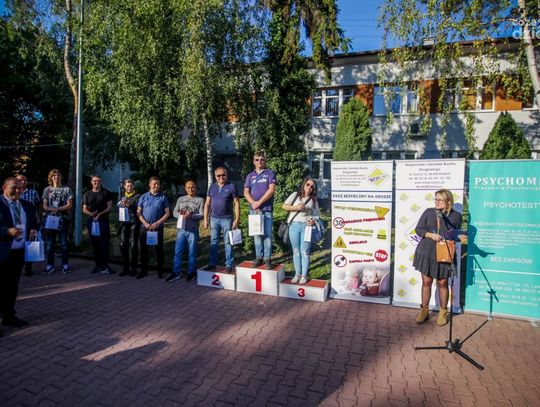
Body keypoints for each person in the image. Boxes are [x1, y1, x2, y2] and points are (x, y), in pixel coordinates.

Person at [413, 188, 462, 326]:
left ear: (448, 202)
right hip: (426, 252)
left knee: (442, 283)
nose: (437, 202)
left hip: (444, 253)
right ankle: (424, 311)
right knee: (426, 282)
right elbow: (419, 229)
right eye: (435, 199)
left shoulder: (456, 216)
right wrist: (431, 235)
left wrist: (458, 236)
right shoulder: (429, 212)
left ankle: (442, 312)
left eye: (440, 200)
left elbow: (453, 234)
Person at [0, 177, 38, 328]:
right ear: (4, 188)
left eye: (20, 188)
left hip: (19, 252)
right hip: (3, 253)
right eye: (13, 188)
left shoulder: (27, 205)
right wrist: (6, 231)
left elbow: (34, 222)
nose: (17, 191)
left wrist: (33, 229)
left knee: (12, 286)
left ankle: (9, 317)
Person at [282, 177, 320, 285]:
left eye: (312, 186)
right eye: (308, 184)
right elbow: (284, 206)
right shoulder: (295, 195)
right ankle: (297, 274)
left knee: (305, 252)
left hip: (306, 227)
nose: (309, 187)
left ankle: (304, 275)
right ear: (304, 184)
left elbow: (317, 214)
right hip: (294, 225)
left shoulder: (313, 200)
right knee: (296, 251)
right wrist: (297, 208)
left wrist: (313, 220)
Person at [243, 151, 277, 268]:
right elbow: (246, 192)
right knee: (257, 234)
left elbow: (271, 190)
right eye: (257, 159)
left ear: (265, 161)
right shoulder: (250, 176)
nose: (259, 161)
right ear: (253, 161)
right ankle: (259, 257)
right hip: (254, 210)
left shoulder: (270, 173)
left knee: (267, 234)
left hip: (266, 209)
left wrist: (259, 202)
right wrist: (253, 203)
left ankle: (267, 258)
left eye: (261, 159)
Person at [203, 167, 240, 273]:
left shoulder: (231, 186)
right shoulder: (212, 187)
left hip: (227, 219)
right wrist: (205, 219)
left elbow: (237, 203)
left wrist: (237, 219)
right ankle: (212, 264)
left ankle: (229, 264)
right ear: (215, 176)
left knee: (228, 242)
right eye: (218, 175)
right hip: (214, 219)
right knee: (213, 242)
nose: (221, 177)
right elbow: (207, 203)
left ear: (226, 175)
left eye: (223, 175)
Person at [168, 180, 204, 282]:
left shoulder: (200, 200)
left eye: (192, 187)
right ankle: (176, 273)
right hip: (181, 230)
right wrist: (181, 215)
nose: (190, 189)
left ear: (195, 188)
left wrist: (191, 215)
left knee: (192, 253)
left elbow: (202, 214)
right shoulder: (180, 199)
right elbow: (174, 212)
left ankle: (191, 272)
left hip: (192, 230)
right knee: (178, 252)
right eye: (188, 187)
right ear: (185, 188)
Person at [137, 176, 170, 279]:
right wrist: (145, 223)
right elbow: (138, 212)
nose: (156, 186)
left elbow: (167, 213)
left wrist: (157, 223)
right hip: (145, 227)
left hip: (158, 227)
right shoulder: (143, 197)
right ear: (149, 184)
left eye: (158, 184)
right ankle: (143, 271)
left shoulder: (163, 197)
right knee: (144, 250)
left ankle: (160, 271)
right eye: (154, 184)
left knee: (159, 250)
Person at [42, 169, 74, 275]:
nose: (56, 177)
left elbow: (69, 204)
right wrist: (52, 209)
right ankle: (50, 265)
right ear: (51, 178)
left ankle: (65, 265)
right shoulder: (47, 190)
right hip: (50, 219)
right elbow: (44, 206)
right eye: (54, 176)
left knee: (64, 243)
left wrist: (58, 209)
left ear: (61, 177)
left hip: (63, 219)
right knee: (50, 244)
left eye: (58, 175)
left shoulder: (67, 189)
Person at [83, 175, 114, 274]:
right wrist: (91, 214)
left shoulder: (106, 193)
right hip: (92, 221)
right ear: (91, 182)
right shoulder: (87, 194)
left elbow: (110, 207)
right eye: (95, 181)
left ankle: (105, 266)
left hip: (103, 221)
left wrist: (100, 214)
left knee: (104, 244)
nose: (97, 183)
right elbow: (84, 209)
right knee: (95, 243)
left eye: (99, 181)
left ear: (101, 182)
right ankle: (98, 265)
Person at [16, 174, 41, 277]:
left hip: (30, 222)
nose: (22, 182)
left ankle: (28, 268)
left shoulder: (33, 193)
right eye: (20, 180)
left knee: (29, 246)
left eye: (24, 180)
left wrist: (37, 221)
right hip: (17, 223)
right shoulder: (14, 192)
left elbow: (38, 206)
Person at [117, 179, 140, 276]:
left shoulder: (137, 196)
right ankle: (125, 268)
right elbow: (118, 206)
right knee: (123, 245)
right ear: (124, 187)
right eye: (127, 186)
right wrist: (121, 205)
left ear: (133, 186)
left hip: (134, 223)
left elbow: (139, 208)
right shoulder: (121, 195)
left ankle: (134, 269)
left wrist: (129, 205)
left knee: (133, 246)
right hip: (124, 223)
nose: (129, 188)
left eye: (131, 186)